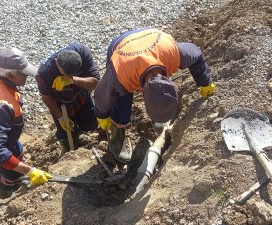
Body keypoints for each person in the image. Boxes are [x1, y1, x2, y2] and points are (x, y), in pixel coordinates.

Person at [94, 28, 215, 164]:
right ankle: (117, 138)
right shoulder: (120, 75)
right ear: (143, 94)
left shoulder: (173, 54)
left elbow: (197, 53)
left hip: (152, 39)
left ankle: (159, 124)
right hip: (121, 46)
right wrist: (102, 115)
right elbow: (100, 95)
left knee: (159, 98)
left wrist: (205, 82)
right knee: (121, 106)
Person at [0, 47, 53, 199]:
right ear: (9, 75)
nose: (27, 77)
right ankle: (6, 191)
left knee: (16, 149)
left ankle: (13, 168)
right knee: (11, 173)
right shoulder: (0, 105)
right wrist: (29, 171)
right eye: (23, 74)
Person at [35, 43, 100, 153]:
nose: (67, 77)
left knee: (91, 124)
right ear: (56, 62)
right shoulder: (44, 72)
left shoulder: (83, 52)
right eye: (65, 74)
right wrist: (61, 117)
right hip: (61, 104)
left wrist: (72, 80)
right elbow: (46, 97)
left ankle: (81, 129)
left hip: (81, 96)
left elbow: (95, 83)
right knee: (66, 134)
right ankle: (65, 140)